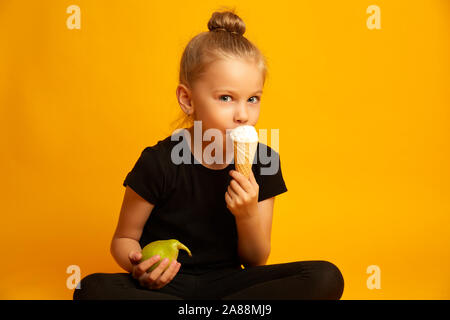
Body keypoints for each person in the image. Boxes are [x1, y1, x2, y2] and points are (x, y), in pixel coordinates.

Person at [73, 9, 344, 300]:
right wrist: (141, 267)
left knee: (324, 277)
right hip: (168, 287)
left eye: (253, 99)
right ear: (187, 100)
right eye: (226, 98)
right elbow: (124, 239)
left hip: (230, 285)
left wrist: (247, 213)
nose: (243, 114)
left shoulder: (264, 162)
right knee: (90, 289)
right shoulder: (159, 161)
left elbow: (255, 260)